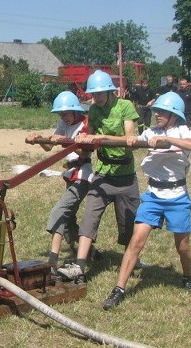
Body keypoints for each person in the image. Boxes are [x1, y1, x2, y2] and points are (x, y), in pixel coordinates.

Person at [102, 92, 191, 310]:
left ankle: (187, 276)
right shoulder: (151, 132)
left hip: (177, 197)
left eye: (162, 112)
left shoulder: (182, 130)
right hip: (153, 196)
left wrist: (167, 140)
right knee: (136, 241)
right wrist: (122, 140)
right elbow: (132, 142)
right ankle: (119, 288)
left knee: (182, 246)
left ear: (174, 115)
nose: (157, 115)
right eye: (156, 111)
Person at [57, 70, 144, 283]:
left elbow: (129, 139)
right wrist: (79, 143)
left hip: (125, 176)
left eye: (100, 93)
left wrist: (101, 136)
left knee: (128, 224)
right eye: (93, 94)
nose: (96, 97)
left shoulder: (125, 107)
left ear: (109, 91)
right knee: (89, 218)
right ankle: (79, 266)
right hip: (102, 174)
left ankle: (131, 259)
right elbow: (90, 139)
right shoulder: (94, 110)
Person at [25, 91, 95, 275]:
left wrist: (64, 140)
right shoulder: (64, 123)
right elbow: (50, 145)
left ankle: (52, 262)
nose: (62, 118)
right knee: (70, 221)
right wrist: (38, 138)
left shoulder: (86, 124)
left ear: (74, 111)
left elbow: (84, 152)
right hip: (70, 173)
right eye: (60, 115)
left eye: (64, 114)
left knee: (60, 211)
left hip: (83, 175)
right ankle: (91, 252)